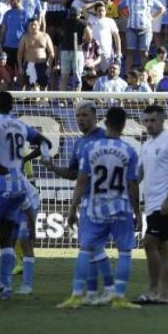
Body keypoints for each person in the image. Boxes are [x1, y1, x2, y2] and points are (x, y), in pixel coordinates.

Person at [57, 107, 141, 310]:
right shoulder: (129, 150)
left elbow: (81, 181)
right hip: (120, 207)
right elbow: (132, 184)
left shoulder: (90, 148)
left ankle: (77, 295)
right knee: (125, 252)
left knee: (86, 250)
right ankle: (119, 297)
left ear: (105, 123)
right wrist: (137, 211)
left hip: (95, 207)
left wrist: (72, 209)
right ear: (123, 125)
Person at [0, 91, 47, 301]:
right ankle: (5, 288)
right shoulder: (21, 125)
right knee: (6, 238)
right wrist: (25, 160)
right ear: (11, 106)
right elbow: (44, 142)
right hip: (19, 187)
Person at [135, 105, 168, 305]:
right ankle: (166, 295)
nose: (149, 124)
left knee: (149, 242)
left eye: (153, 120)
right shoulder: (146, 145)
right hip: (151, 205)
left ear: (162, 120)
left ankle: (153, 291)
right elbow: (138, 175)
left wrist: (167, 199)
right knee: (163, 249)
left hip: (165, 205)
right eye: (146, 121)